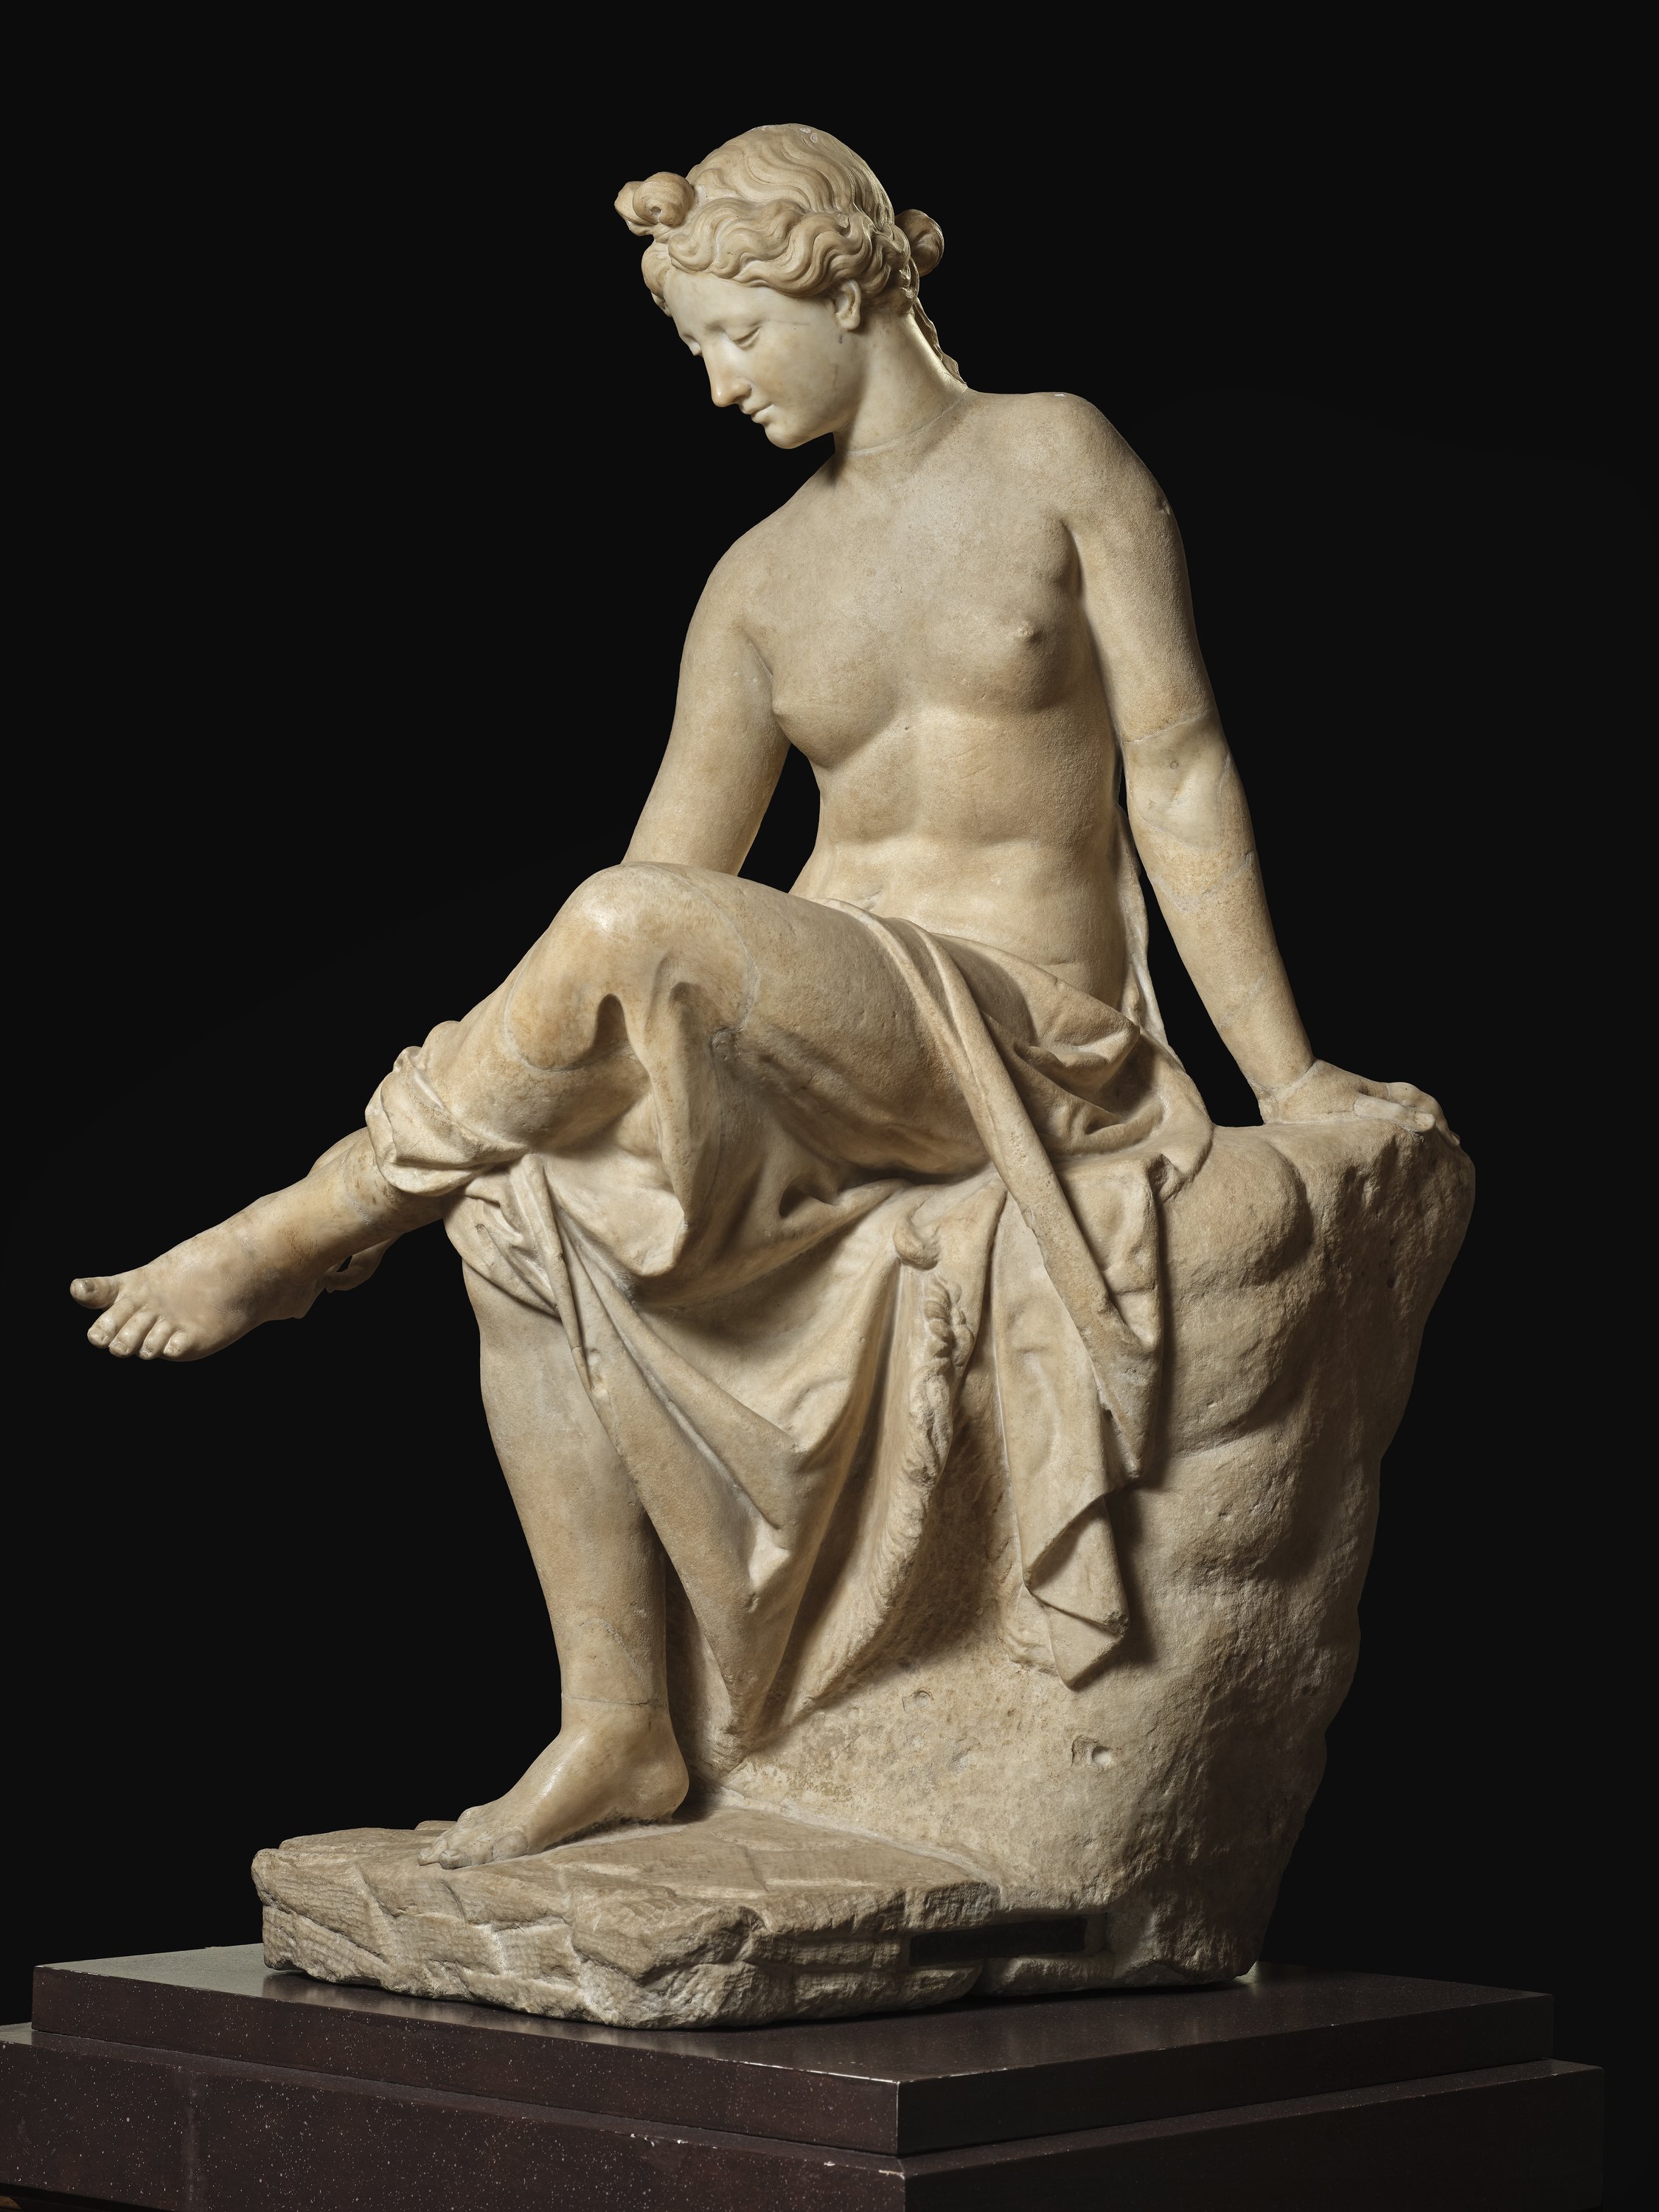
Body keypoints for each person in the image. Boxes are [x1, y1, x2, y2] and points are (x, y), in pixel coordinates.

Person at [70, 123, 1450, 1872]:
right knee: (517, 1204)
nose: (719, 386)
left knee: (617, 933)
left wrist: (1290, 1075)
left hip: (1025, 1033)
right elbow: (665, 900)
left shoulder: (1055, 456)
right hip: (824, 1050)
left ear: (843, 282)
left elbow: (1176, 768)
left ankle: (310, 1224)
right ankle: (617, 1726)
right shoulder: (754, 583)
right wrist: (585, 1068)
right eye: (698, 350)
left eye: (734, 336)